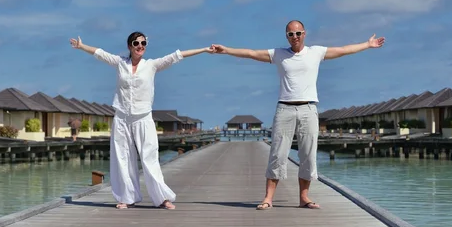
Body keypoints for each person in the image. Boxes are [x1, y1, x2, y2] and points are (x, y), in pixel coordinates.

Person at [211, 20, 385, 210]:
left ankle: (304, 198)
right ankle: (268, 198)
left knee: (308, 155)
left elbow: (343, 50)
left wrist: (367, 45)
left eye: (298, 33)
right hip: (284, 109)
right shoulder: (279, 54)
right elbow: (251, 53)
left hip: (308, 109)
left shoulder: (316, 52)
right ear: (286, 36)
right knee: (278, 154)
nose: (295, 37)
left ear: (305, 34)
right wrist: (226, 50)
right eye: (291, 34)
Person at [70, 32, 214, 210]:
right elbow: (100, 53)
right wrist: (81, 46)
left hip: (143, 117)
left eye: (143, 43)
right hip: (122, 117)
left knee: (150, 158)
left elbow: (177, 55)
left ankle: (162, 198)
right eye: (136, 43)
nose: (140, 46)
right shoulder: (120, 63)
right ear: (130, 46)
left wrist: (204, 49)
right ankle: (127, 197)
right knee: (122, 158)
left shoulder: (151, 65)